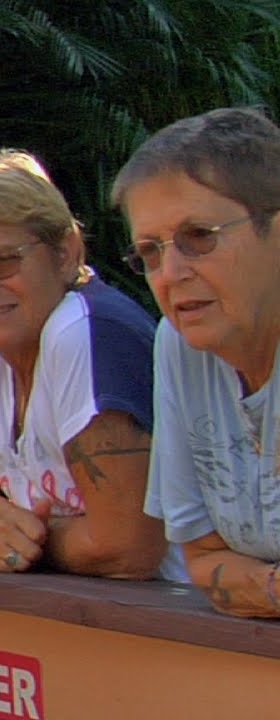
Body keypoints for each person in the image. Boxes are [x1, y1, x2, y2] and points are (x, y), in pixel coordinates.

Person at [0, 148, 183, 580]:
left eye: (3, 262)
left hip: (184, 625)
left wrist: (27, 542)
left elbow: (128, 546)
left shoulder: (84, 329)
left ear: (66, 251)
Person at [112, 106, 280, 615]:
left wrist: (255, 584)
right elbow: (204, 562)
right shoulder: (179, 343)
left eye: (199, 237)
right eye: (151, 251)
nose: (171, 273)